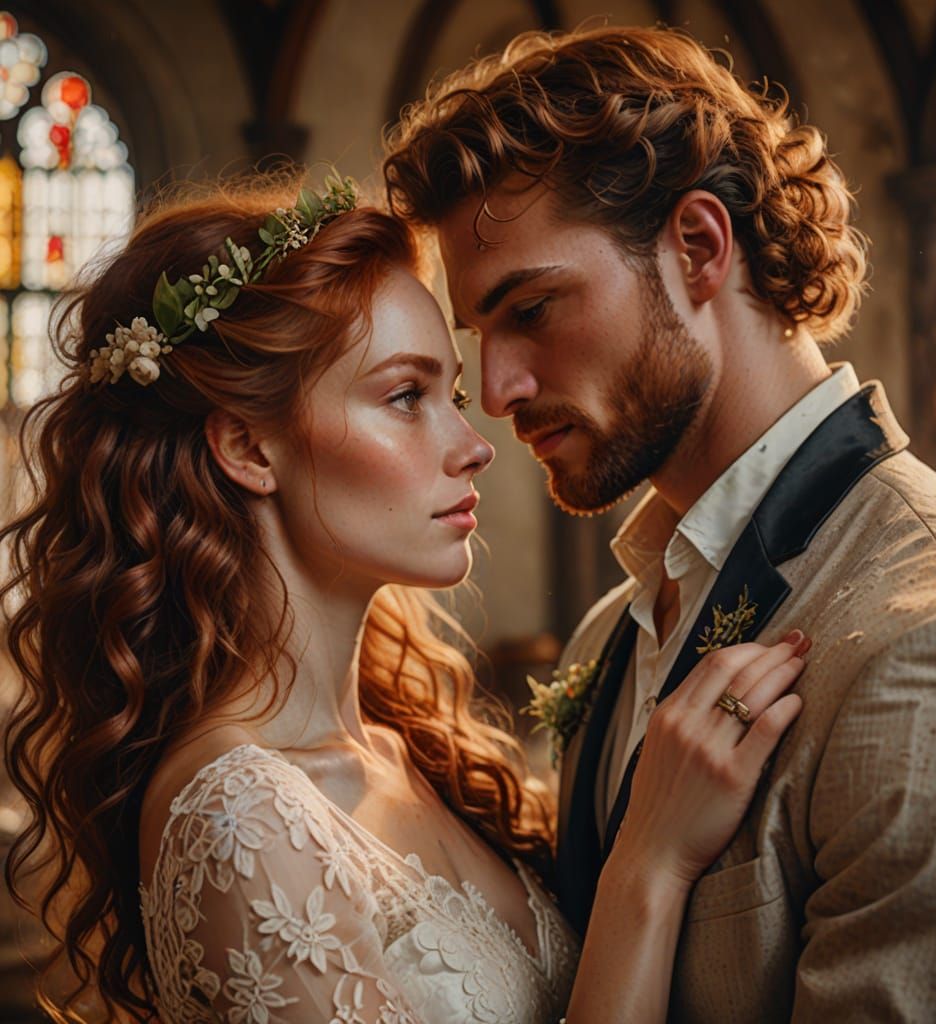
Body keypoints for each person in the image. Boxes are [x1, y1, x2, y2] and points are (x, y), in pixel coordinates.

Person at [1, 170, 806, 1024]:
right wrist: (650, 865)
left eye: (449, 394)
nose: (474, 444)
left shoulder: (411, 753)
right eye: (404, 396)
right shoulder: (238, 819)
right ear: (248, 447)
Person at [382, 24, 936, 1022]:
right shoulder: (611, 633)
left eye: (532, 310)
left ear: (698, 247)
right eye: (481, 336)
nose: (498, 392)